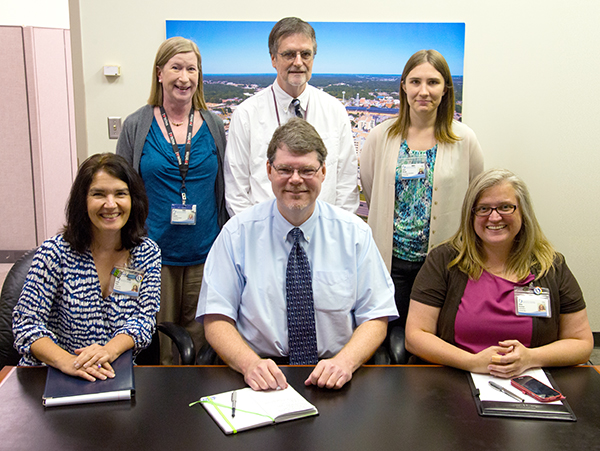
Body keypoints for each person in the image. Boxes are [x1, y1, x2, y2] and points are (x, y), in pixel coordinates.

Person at [197, 118, 397, 391]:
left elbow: (376, 315)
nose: (295, 180)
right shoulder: (237, 234)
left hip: (335, 372)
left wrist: (345, 362)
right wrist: (249, 363)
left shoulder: (354, 235)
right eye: (285, 169)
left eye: (306, 170)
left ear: (324, 172)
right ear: (268, 170)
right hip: (258, 374)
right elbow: (216, 317)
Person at [405, 169, 593, 377]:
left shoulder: (551, 265)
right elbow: (415, 336)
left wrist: (531, 358)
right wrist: (471, 362)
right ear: (471, 215)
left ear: (523, 212)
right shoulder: (445, 260)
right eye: (483, 209)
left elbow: (581, 343)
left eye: (505, 207)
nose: (494, 217)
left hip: (529, 383)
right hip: (454, 378)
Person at [116, 37, 229, 364]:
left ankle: (196, 407)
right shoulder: (136, 125)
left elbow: (223, 188)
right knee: (158, 342)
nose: (184, 77)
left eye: (191, 69)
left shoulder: (214, 124)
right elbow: (121, 190)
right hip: (152, 256)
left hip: (205, 254)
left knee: (200, 345)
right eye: (176, 67)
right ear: (159, 73)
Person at [360, 49, 484, 331]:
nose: (423, 91)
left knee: (438, 336)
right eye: (415, 82)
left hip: (444, 264)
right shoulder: (381, 136)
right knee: (391, 335)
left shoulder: (464, 139)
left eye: (433, 82)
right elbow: (370, 186)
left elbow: (474, 198)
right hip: (392, 262)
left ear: (446, 88)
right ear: (403, 86)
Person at [13, 153, 161, 381]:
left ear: (133, 200)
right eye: (98, 194)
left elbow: (144, 319)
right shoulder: (55, 253)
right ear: (83, 200)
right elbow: (26, 324)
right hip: (53, 373)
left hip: (113, 372)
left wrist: (109, 350)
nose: (110, 204)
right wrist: (68, 361)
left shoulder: (146, 253)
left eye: (120, 194)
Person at [224, 16, 359, 216]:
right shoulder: (246, 115)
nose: (298, 62)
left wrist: (336, 235)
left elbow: (347, 185)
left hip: (324, 236)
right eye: (288, 54)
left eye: (305, 54)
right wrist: (254, 238)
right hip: (263, 237)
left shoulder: (335, 111)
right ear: (273, 59)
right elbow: (237, 192)